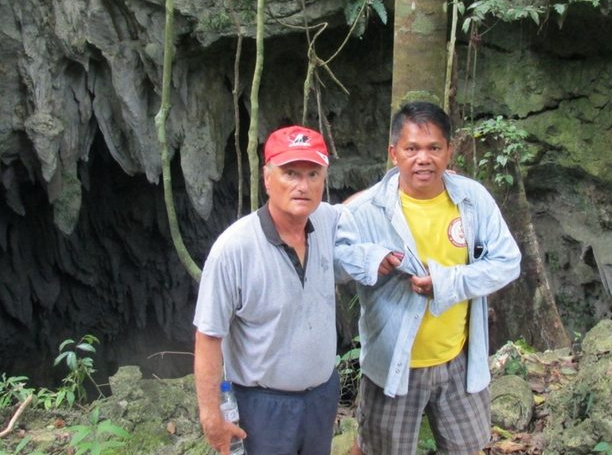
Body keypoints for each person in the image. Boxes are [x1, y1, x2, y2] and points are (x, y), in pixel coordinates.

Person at [334, 101, 522, 454]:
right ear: (394, 153)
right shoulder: (364, 211)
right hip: (392, 368)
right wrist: (370, 259)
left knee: (469, 447)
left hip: (459, 361)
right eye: (412, 148)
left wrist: (446, 283)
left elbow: (508, 261)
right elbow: (330, 265)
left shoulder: (472, 199)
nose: (424, 158)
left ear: (449, 151)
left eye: (434, 148)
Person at [193, 125, 341, 455]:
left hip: (320, 397)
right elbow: (208, 336)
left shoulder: (327, 224)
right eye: (290, 173)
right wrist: (211, 414)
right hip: (261, 405)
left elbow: (361, 207)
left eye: (313, 174)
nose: (303, 186)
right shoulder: (234, 248)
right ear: (267, 178)